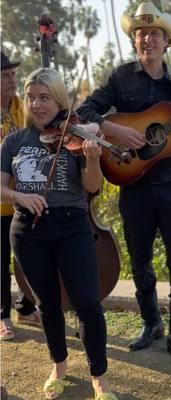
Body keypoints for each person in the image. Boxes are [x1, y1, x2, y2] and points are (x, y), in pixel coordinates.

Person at [77, 1, 171, 366]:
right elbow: (84, 112)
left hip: (170, 185)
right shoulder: (119, 78)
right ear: (134, 41)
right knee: (141, 261)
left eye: (155, 34)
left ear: (167, 42)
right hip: (133, 185)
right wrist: (114, 128)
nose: (147, 39)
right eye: (141, 33)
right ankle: (151, 324)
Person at [0, 67, 117, 400]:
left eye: (45, 98)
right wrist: (19, 196)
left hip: (72, 226)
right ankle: (59, 366)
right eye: (32, 97)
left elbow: (93, 186)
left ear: (59, 100)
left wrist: (92, 158)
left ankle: (99, 376)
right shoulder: (14, 141)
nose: (37, 105)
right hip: (27, 229)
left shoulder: (76, 136)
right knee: (47, 305)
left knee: (88, 304)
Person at [0, 51, 41, 342]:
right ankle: (2, 316)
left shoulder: (20, 106)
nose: (12, 79)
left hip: (23, 194)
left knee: (29, 257)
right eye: (5, 75)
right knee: (1, 262)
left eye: (13, 74)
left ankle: (25, 308)